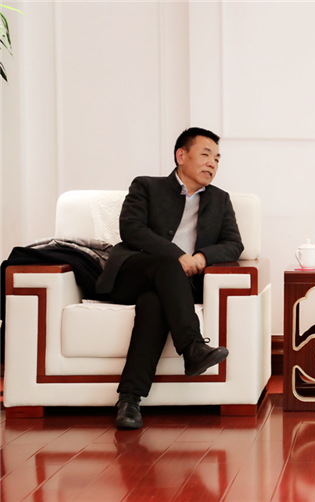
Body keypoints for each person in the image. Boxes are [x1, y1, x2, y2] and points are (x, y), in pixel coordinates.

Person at [96, 127, 244, 429]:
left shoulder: (220, 200)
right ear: (181, 155)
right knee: (167, 265)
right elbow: (132, 229)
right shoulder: (146, 186)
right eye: (206, 154)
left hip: (174, 288)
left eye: (217, 158)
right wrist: (178, 256)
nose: (212, 163)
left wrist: (201, 258)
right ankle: (192, 346)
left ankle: (129, 400)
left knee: (154, 304)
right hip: (133, 274)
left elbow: (234, 243)